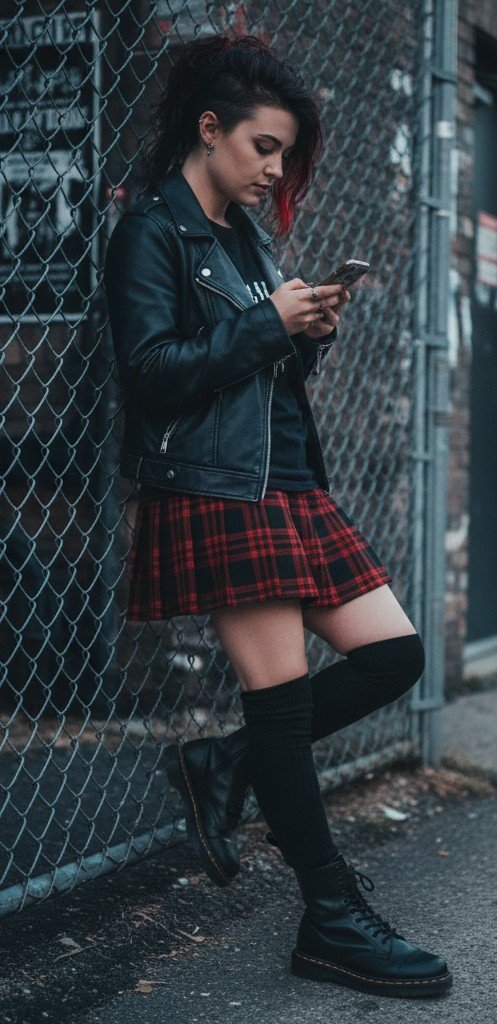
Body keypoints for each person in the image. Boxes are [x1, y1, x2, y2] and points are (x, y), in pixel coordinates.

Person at [103, 33, 452, 999]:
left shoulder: (248, 238)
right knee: (285, 704)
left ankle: (224, 762)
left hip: (291, 486)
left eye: (284, 155)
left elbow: (257, 378)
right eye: (262, 147)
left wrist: (308, 337)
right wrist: (268, 324)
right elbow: (151, 378)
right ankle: (330, 918)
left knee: (395, 655)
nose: (273, 170)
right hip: (218, 491)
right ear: (208, 130)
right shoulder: (152, 232)